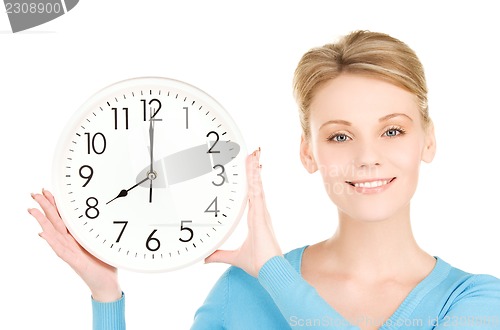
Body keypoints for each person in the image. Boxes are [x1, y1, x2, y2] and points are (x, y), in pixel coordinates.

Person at [29, 30, 500, 330]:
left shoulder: (477, 300)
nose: (367, 157)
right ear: (308, 152)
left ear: (429, 141)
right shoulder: (242, 291)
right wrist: (106, 296)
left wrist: (274, 273)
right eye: (339, 136)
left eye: (392, 130)